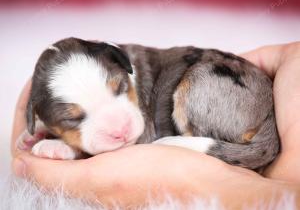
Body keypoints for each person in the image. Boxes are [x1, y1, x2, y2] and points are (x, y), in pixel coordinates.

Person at [11, 42, 300, 208]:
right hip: (238, 104)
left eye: (119, 90)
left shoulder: (129, 62)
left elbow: (142, 137)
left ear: (121, 63)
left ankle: (239, 148)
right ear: (38, 117)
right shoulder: (45, 107)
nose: (120, 125)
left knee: (193, 89)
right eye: (76, 117)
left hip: (233, 92)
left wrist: (73, 149)